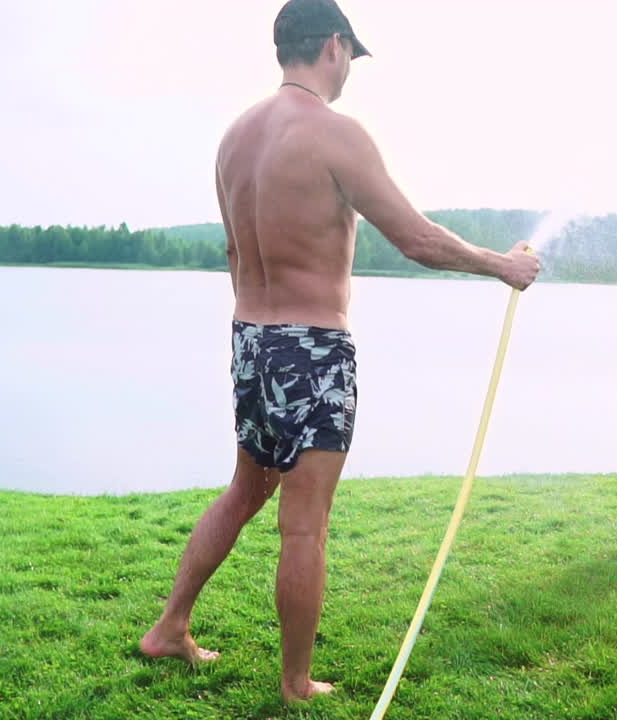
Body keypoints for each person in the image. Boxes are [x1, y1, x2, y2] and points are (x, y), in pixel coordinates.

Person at [138, 0, 541, 702]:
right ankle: (295, 682)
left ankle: (170, 627)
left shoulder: (235, 137)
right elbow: (415, 239)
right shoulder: (336, 134)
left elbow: (239, 246)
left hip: (250, 339)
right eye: (351, 55)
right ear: (333, 46)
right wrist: (500, 265)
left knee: (245, 491)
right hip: (313, 347)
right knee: (305, 525)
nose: (350, 69)